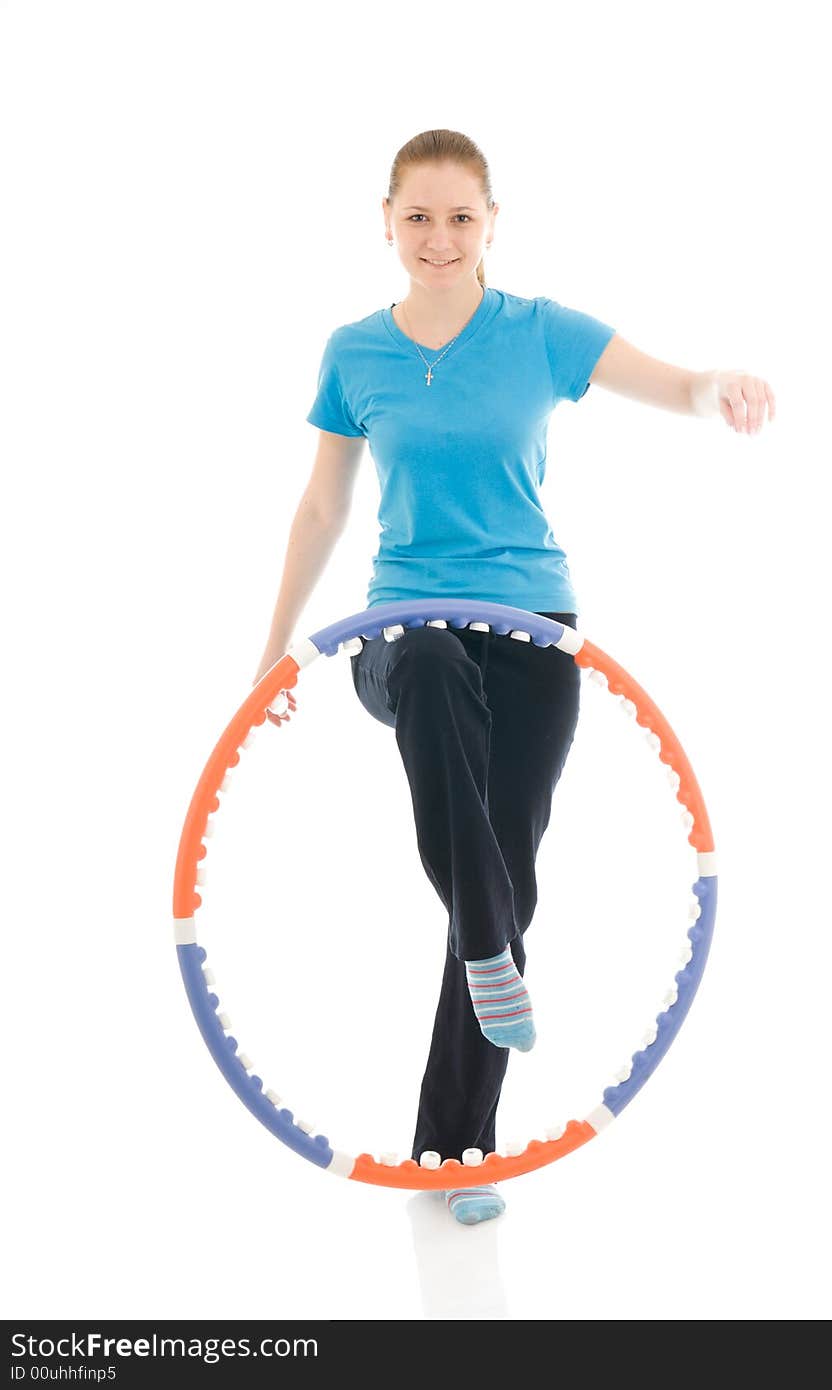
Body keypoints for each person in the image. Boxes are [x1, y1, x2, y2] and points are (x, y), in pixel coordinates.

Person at [252, 128, 775, 1226]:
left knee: (506, 870)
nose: (438, 239)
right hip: (406, 632)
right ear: (384, 222)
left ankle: (455, 1147)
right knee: (438, 679)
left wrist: (719, 384)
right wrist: (271, 655)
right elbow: (320, 507)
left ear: (493, 224)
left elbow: (671, 382)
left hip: (535, 629)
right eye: (416, 218)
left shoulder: (540, 334)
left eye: (459, 217)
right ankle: (489, 938)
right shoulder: (353, 351)